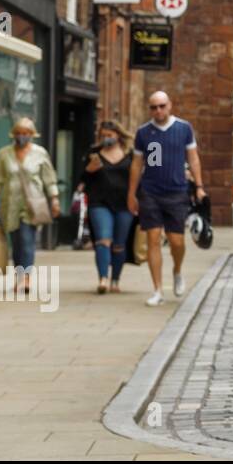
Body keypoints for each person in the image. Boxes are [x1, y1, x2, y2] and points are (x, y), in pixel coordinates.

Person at [128, 91, 206, 306]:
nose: (158, 111)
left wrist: (199, 186)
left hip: (177, 190)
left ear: (170, 105)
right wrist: (132, 193)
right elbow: (137, 164)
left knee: (176, 241)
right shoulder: (144, 132)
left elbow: (193, 158)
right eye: (153, 107)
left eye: (162, 106)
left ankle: (177, 270)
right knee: (152, 239)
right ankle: (157, 290)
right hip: (150, 191)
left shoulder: (183, 128)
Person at [0, 118, 60, 294]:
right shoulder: (4, 154)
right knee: (16, 243)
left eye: (25, 133)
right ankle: (20, 276)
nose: (21, 137)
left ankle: (25, 278)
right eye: (18, 133)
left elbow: (49, 179)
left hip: (32, 205)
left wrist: (55, 199)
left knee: (27, 240)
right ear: (13, 134)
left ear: (32, 135)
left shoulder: (40, 153)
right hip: (10, 203)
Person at [80, 122, 135, 294]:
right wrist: (89, 170)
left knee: (119, 244)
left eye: (110, 135)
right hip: (99, 203)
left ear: (118, 135)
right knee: (103, 240)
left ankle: (115, 280)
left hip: (124, 204)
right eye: (103, 135)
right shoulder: (93, 154)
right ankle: (103, 278)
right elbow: (81, 179)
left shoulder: (130, 155)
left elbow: (139, 177)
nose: (107, 139)